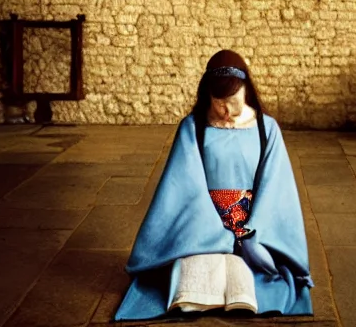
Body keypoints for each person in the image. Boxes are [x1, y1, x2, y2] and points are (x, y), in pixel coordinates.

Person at [115, 50, 312, 319]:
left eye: (234, 101)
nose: (227, 111)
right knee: (196, 282)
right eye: (219, 103)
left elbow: (277, 189)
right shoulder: (193, 127)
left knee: (253, 280)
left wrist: (250, 232)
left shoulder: (267, 129)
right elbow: (183, 188)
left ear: (247, 91)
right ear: (207, 96)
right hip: (202, 230)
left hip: (251, 232)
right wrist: (218, 234)